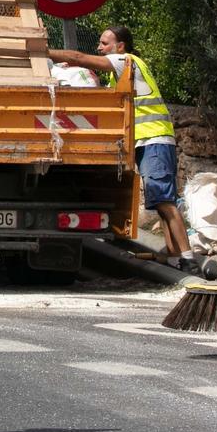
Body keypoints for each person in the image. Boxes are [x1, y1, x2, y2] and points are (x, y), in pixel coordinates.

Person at [49, 26, 187, 263]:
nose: (99, 48)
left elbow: (79, 57)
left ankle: (188, 257)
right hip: (147, 141)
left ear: (120, 46)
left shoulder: (126, 61)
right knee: (159, 201)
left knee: (165, 201)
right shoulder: (121, 75)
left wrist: (45, 52)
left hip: (154, 139)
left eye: (104, 43)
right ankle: (174, 256)